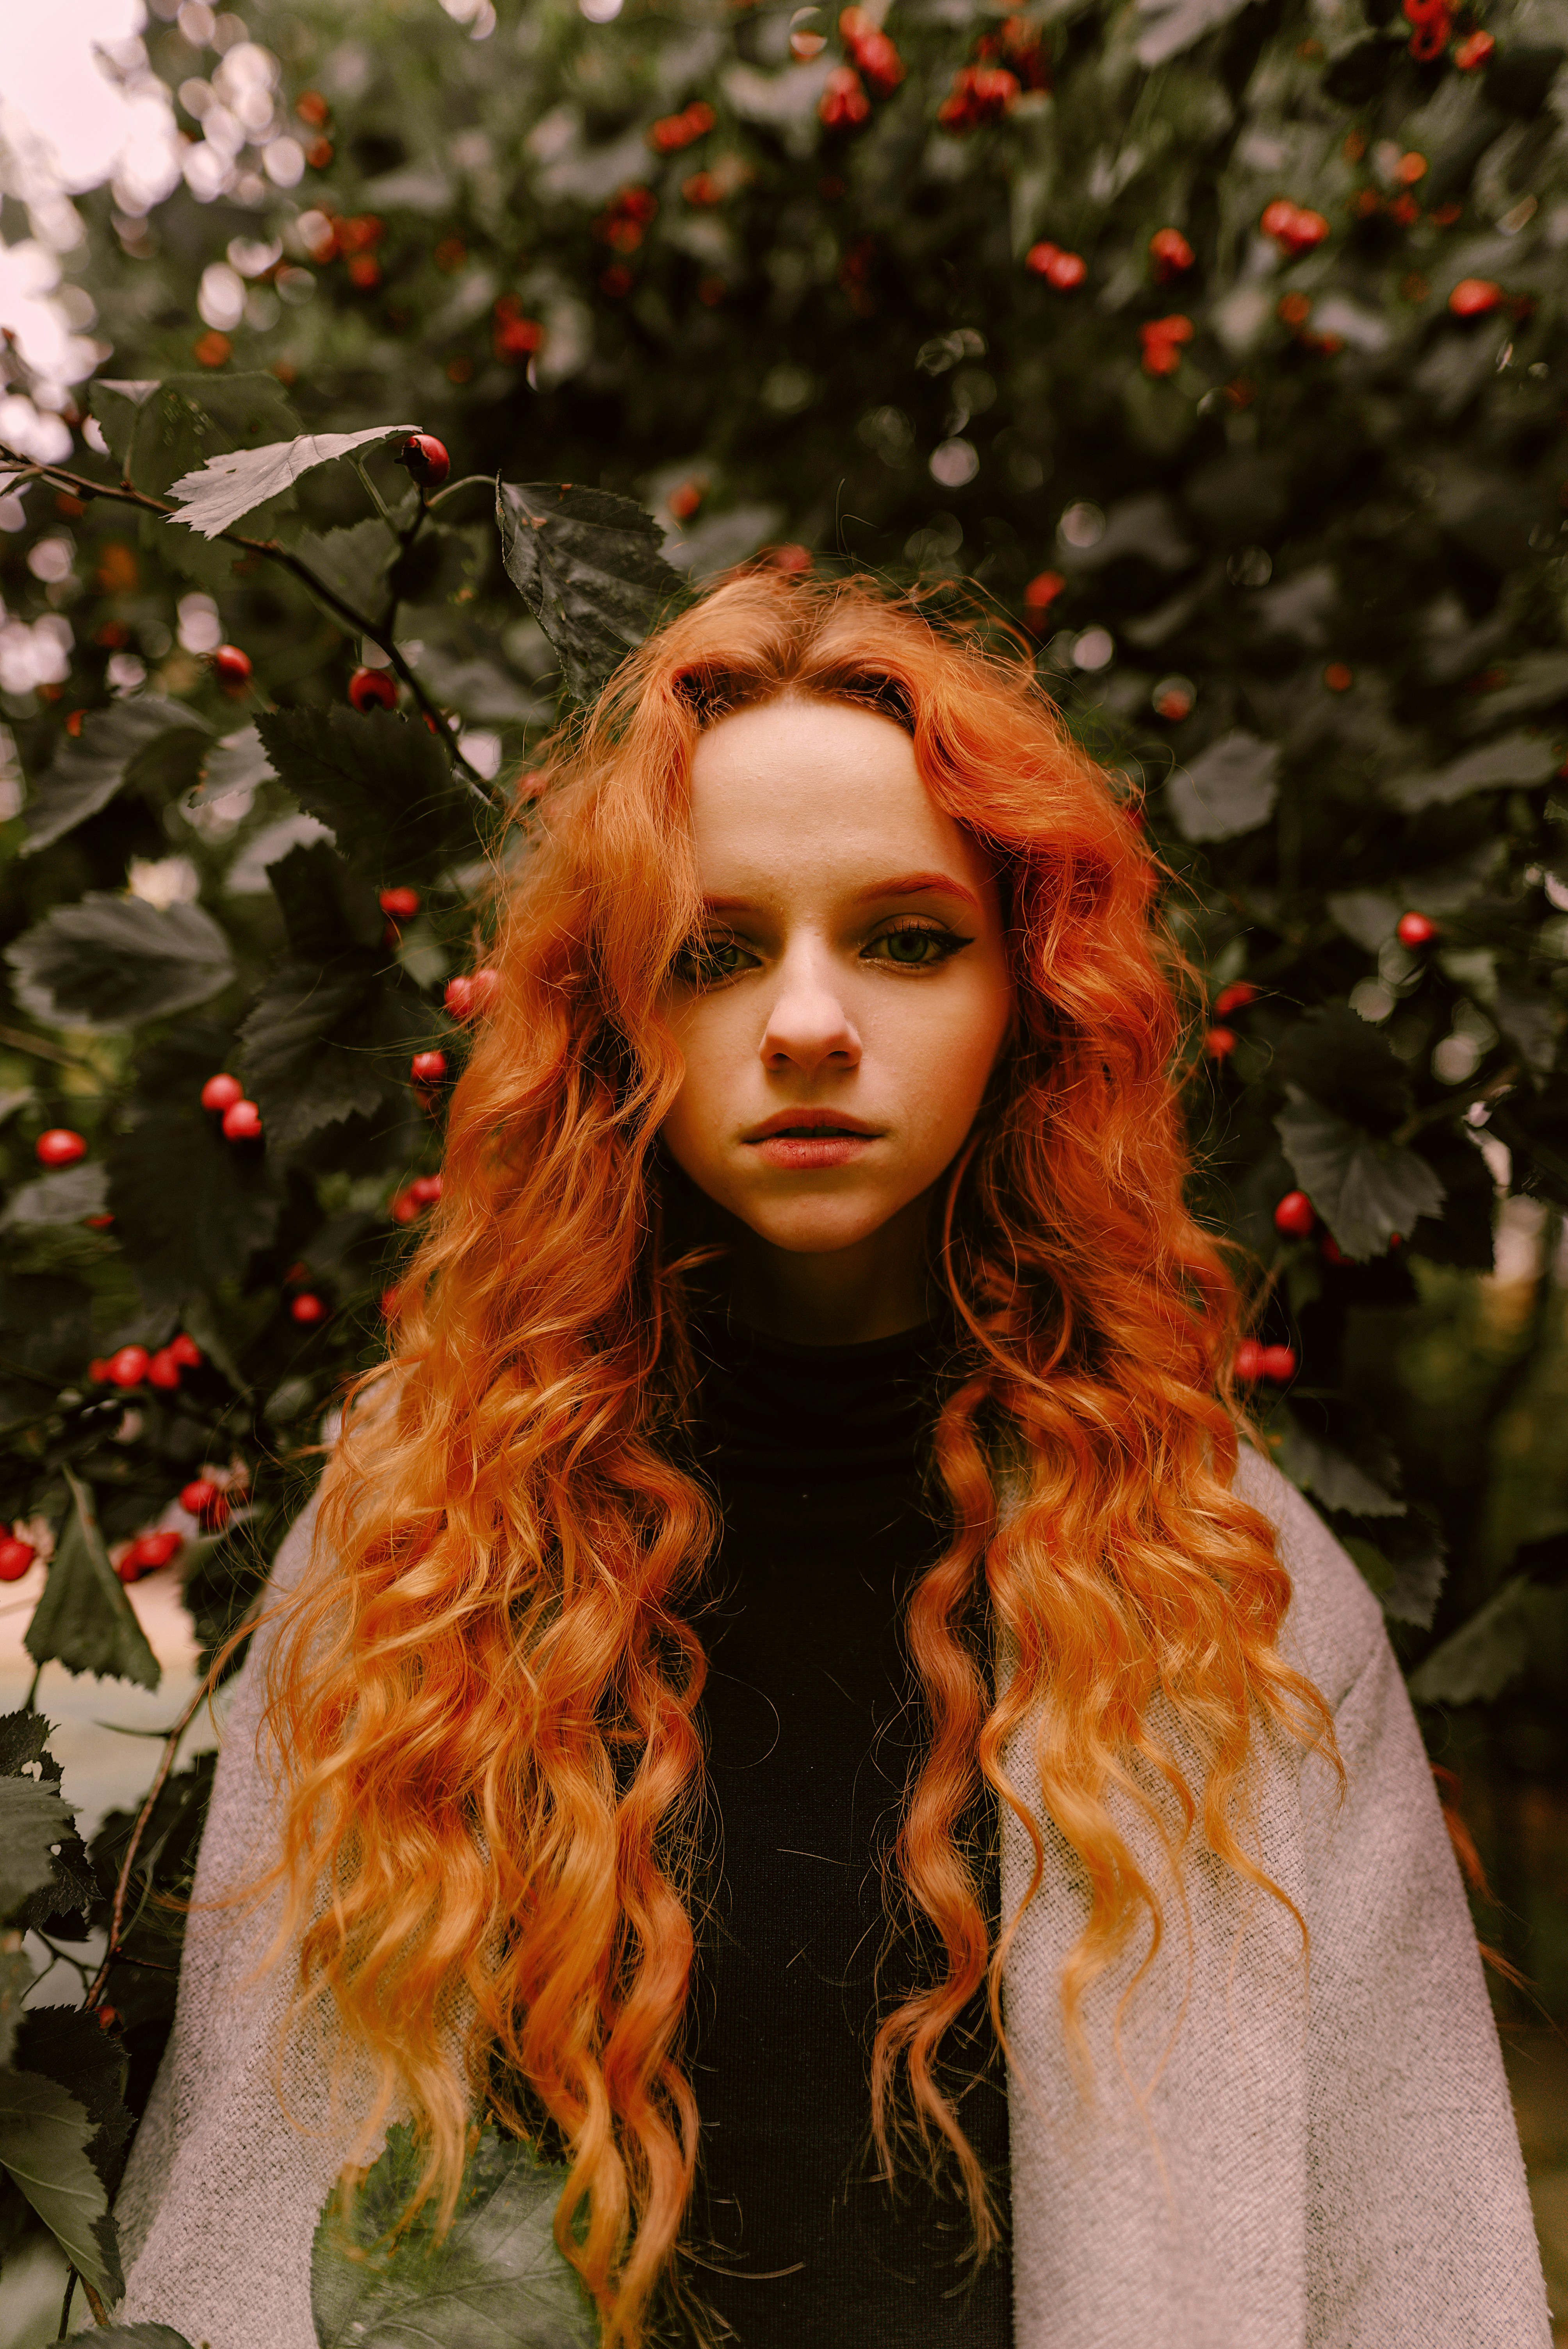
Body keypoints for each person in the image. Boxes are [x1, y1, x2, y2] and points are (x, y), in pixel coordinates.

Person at [112, 573, 1551, 2349]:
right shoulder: (416, 1546)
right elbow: (246, 2231)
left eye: (905, 937)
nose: (806, 1021)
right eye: (716, 951)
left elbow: (1422, 2277)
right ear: (610, 1015)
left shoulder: (1224, 1589)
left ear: (1028, 996)